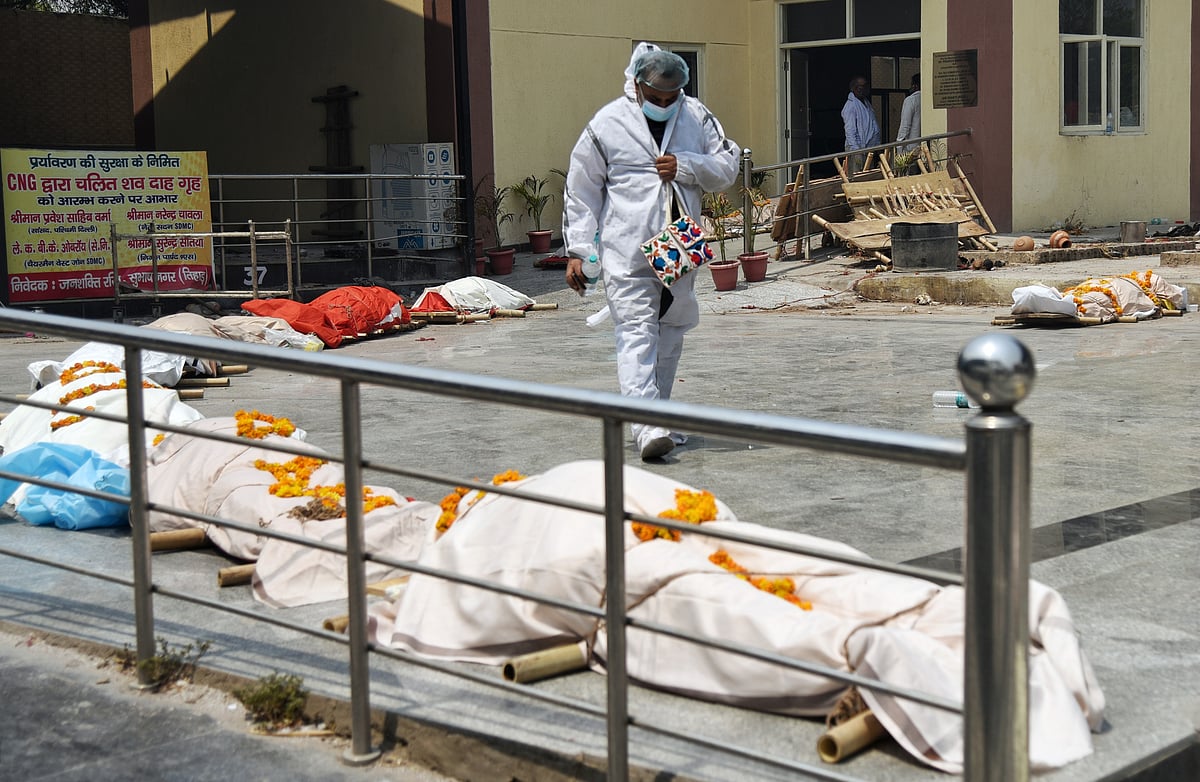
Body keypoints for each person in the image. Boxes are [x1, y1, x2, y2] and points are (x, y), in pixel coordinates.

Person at [562, 43, 739, 461]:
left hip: (679, 243)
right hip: (628, 249)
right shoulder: (608, 123)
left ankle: (655, 415)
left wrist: (687, 166)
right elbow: (581, 190)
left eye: (670, 98)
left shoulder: (697, 116)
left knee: (672, 333)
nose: (663, 105)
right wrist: (579, 250)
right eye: (655, 97)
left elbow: (728, 166)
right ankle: (646, 426)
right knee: (636, 333)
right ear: (637, 86)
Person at [840, 75, 880, 175]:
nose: (862, 89)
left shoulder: (866, 104)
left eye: (864, 86)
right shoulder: (850, 106)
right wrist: (856, 151)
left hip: (868, 149)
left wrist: (877, 146)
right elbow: (850, 131)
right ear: (853, 88)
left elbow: (873, 126)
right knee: (856, 176)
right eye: (859, 87)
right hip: (856, 149)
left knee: (868, 176)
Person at [895, 72, 922, 173]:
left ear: (915, 85)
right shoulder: (928, 99)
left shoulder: (911, 100)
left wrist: (899, 148)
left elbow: (905, 126)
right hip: (926, 148)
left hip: (911, 149)